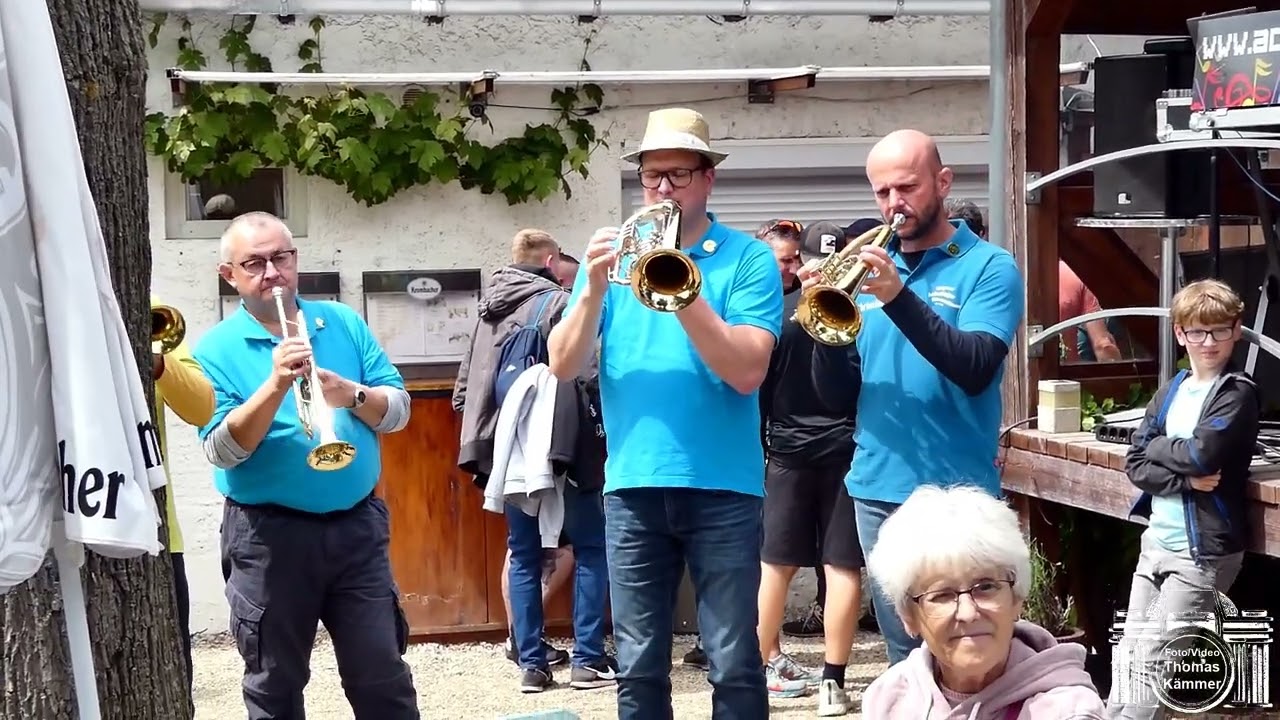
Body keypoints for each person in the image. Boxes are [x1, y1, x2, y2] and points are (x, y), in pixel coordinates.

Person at [548, 106, 782, 719]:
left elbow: (746, 371)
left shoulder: (748, 258)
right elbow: (563, 364)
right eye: (652, 176)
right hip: (632, 485)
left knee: (733, 660)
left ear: (708, 179)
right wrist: (592, 287)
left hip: (724, 486)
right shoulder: (616, 261)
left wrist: (679, 285)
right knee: (638, 664)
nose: (663, 190)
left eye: (678, 175)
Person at [799, 129, 1025, 666]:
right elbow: (834, 397)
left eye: (907, 187)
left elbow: (973, 367)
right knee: (905, 652)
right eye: (882, 192)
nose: (894, 203)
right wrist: (824, 326)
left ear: (942, 183)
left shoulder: (989, 266)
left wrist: (898, 298)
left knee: (968, 649)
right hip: (878, 488)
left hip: (959, 493)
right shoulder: (867, 269)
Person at [195, 212, 419, 719]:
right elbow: (222, 450)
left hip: (357, 529)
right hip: (268, 539)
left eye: (282, 257)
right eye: (254, 263)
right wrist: (275, 384)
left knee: (382, 676)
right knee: (275, 683)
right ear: (229, 274)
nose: (273, 273)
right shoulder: (214, 350)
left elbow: (398, 413)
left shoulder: (342, 322)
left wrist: (352, 394)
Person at [453, 228, 614, 693]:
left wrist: (494, 436)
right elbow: (585, 374)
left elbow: (464, 390)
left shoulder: (487, 309)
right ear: (550, 262)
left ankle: (531, 664)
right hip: (564, 447)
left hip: (508, 450)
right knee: (591, 547)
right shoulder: (559, 303)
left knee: (523, 553)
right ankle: (588, 660)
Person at [1110, 279, 1259, 719]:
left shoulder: (1236, 392)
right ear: (1180, 333)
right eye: (1197, 331)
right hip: (1156, 543)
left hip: (1201, 556)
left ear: (1236, 330)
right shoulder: (1173, 388)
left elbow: (1202, 454)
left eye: (1219, 330)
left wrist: (1158, 445)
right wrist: (1186, 483)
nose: (1208, 342)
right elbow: (1135, 461)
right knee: (1129, 656)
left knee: (1152, 667)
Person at [861, 485, 1107, 718]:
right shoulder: (889, 701)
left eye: (986, 587)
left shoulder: (1068, 711)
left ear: (1016, 598)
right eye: (942, 595)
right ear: (908, 616)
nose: (968, 612)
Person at [756, 219, 868, 715]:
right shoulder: (860, 313)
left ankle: (760, 668)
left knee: (774, 566)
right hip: (845, 449)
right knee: (841, 566)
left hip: (786, 451)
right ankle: (832, 682)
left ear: (800, 258)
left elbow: (758, 387)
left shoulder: (778, 312)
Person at [151, 296, 215, 712]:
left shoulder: (150, 308)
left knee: (168, 683)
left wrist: (159, 363)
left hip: (157, 537)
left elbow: (201, 406)